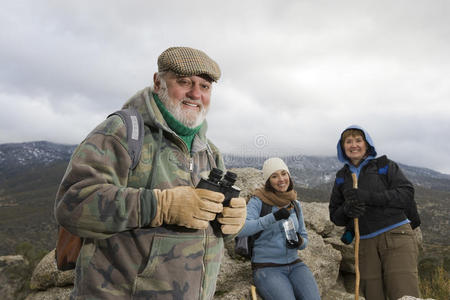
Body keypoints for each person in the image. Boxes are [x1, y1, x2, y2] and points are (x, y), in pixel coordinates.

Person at [54, 47, 247, 300]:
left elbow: (209, 231)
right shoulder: (123, 132)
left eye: (205, 86)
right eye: (184, 82)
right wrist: (161, 206)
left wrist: (231, 223)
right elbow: (73, 204)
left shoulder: (210, 152)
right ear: (158, 82)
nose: (195, 94)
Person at [329, 125, 421, 300]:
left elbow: (406, 193)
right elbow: (335, 215)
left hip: (396, 235)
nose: (353, 145)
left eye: (358, 140)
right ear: (342, 147)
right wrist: (347, 209)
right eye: (348, 141)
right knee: (373, 295)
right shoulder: (342, 177)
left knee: (404, 292)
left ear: (367, 144)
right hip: (364, 243)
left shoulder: (384, 166)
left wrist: (369, 197)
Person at [237, 157, 321, 300]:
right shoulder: (258, 201)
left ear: (289, 175)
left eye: (284, 173)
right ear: (268, 181)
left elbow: (304, 237)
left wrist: (299, 242)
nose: (281, 179)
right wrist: (273, 217)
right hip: (267, 267)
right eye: (274, 176)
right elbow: (242, 228)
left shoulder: (294, 203)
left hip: (295, 265)